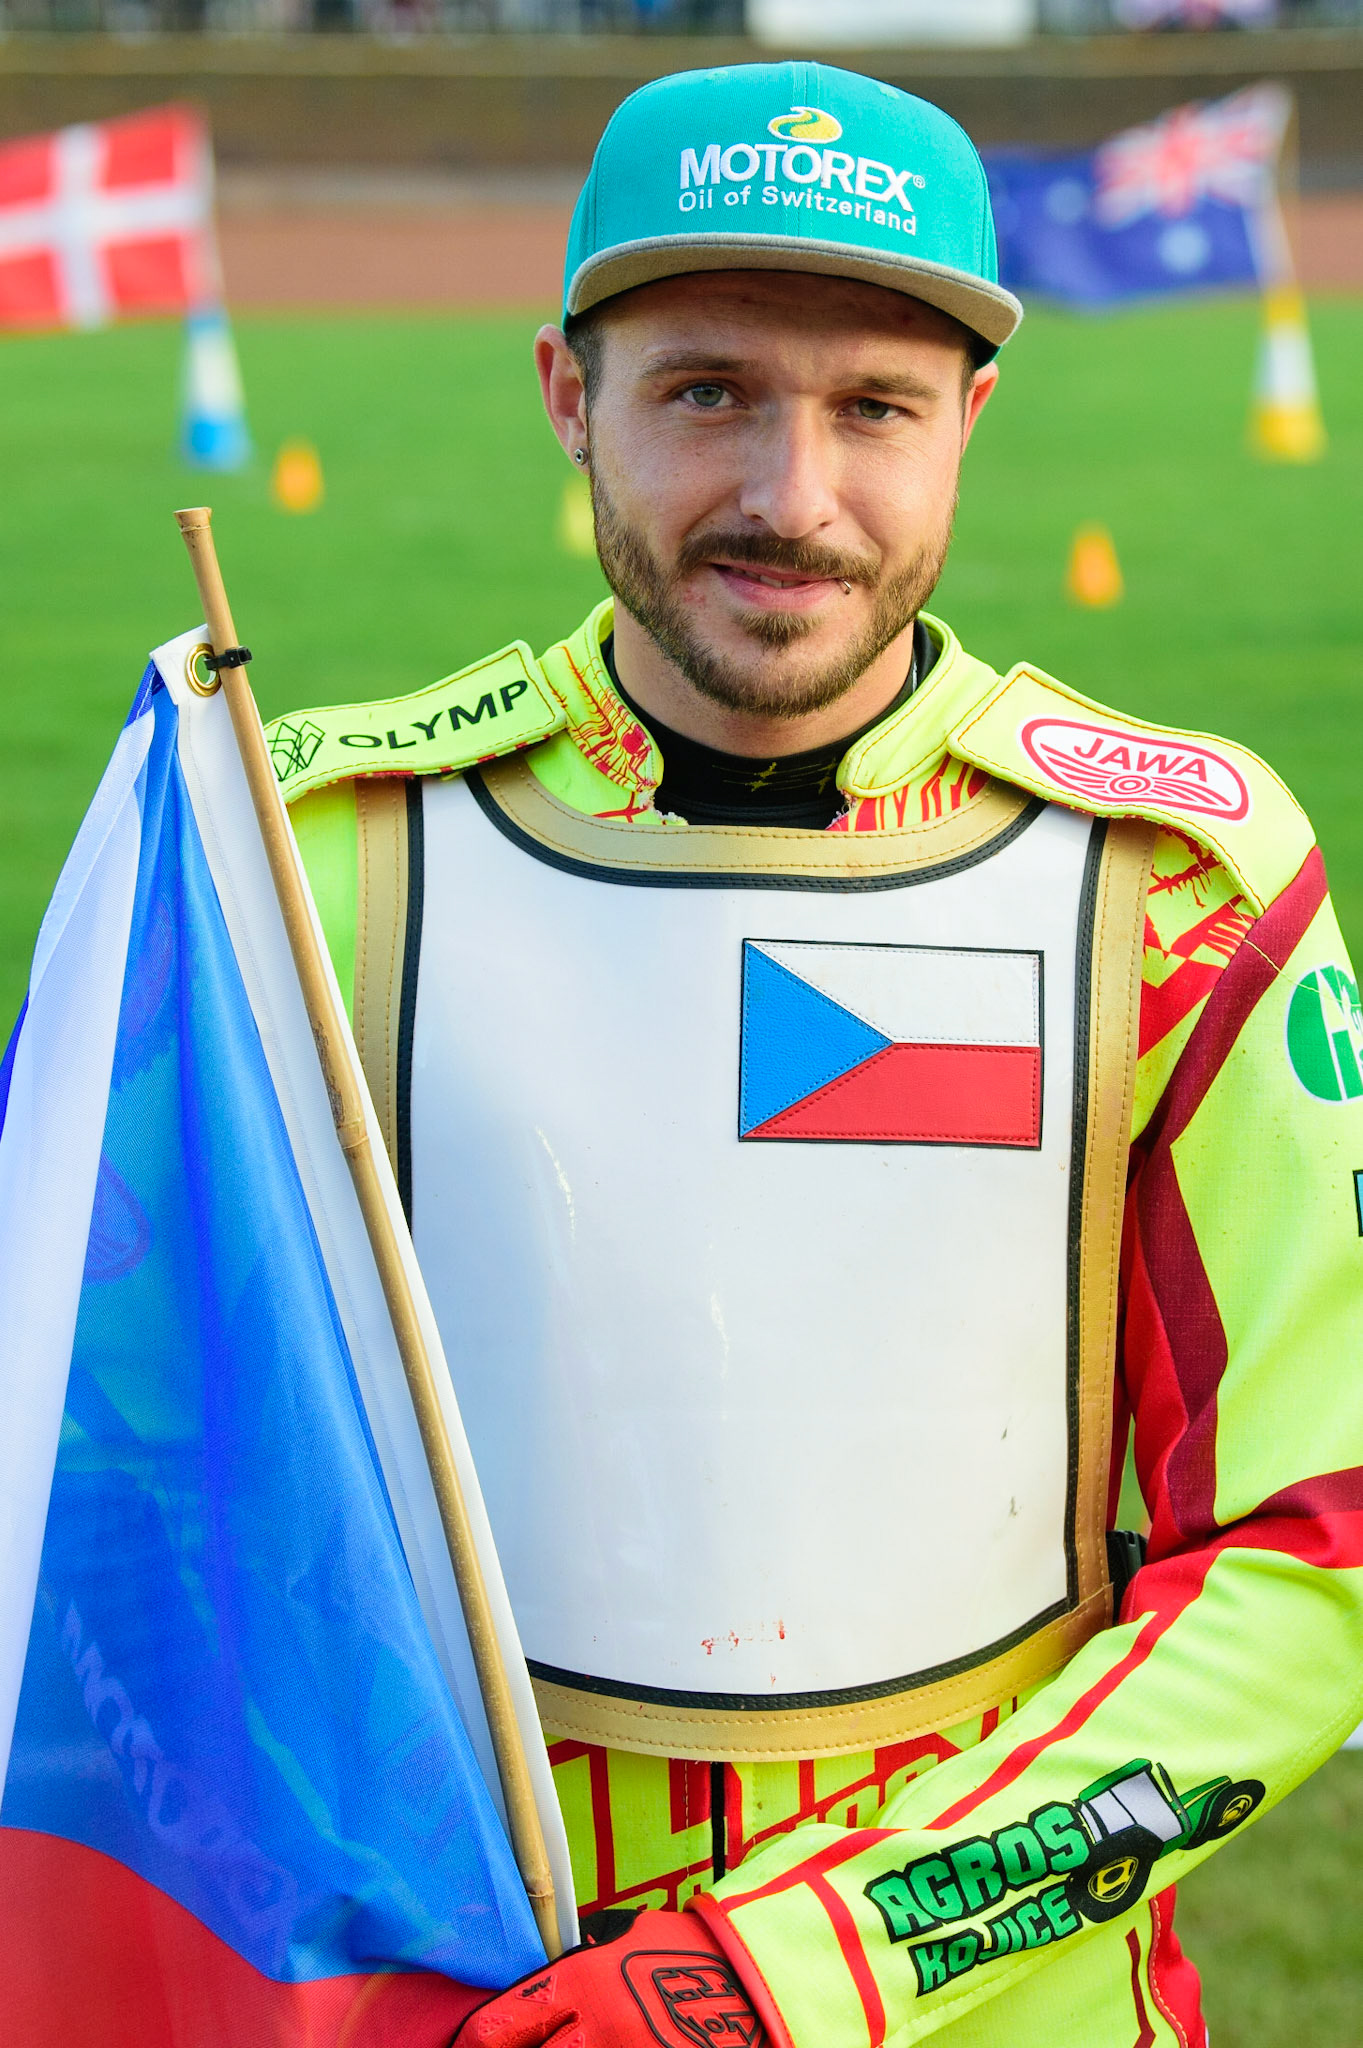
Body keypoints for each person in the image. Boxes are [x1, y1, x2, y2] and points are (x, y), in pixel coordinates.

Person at [271, 60, 1363, 2048]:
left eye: (872, 406)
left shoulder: (1184, 880)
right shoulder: (295, 857)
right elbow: (133, 1494)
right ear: (563, 391)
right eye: (704, 392)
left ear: (971, 422)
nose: (791, 497)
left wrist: (789, 1974)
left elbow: (1319, 1552)